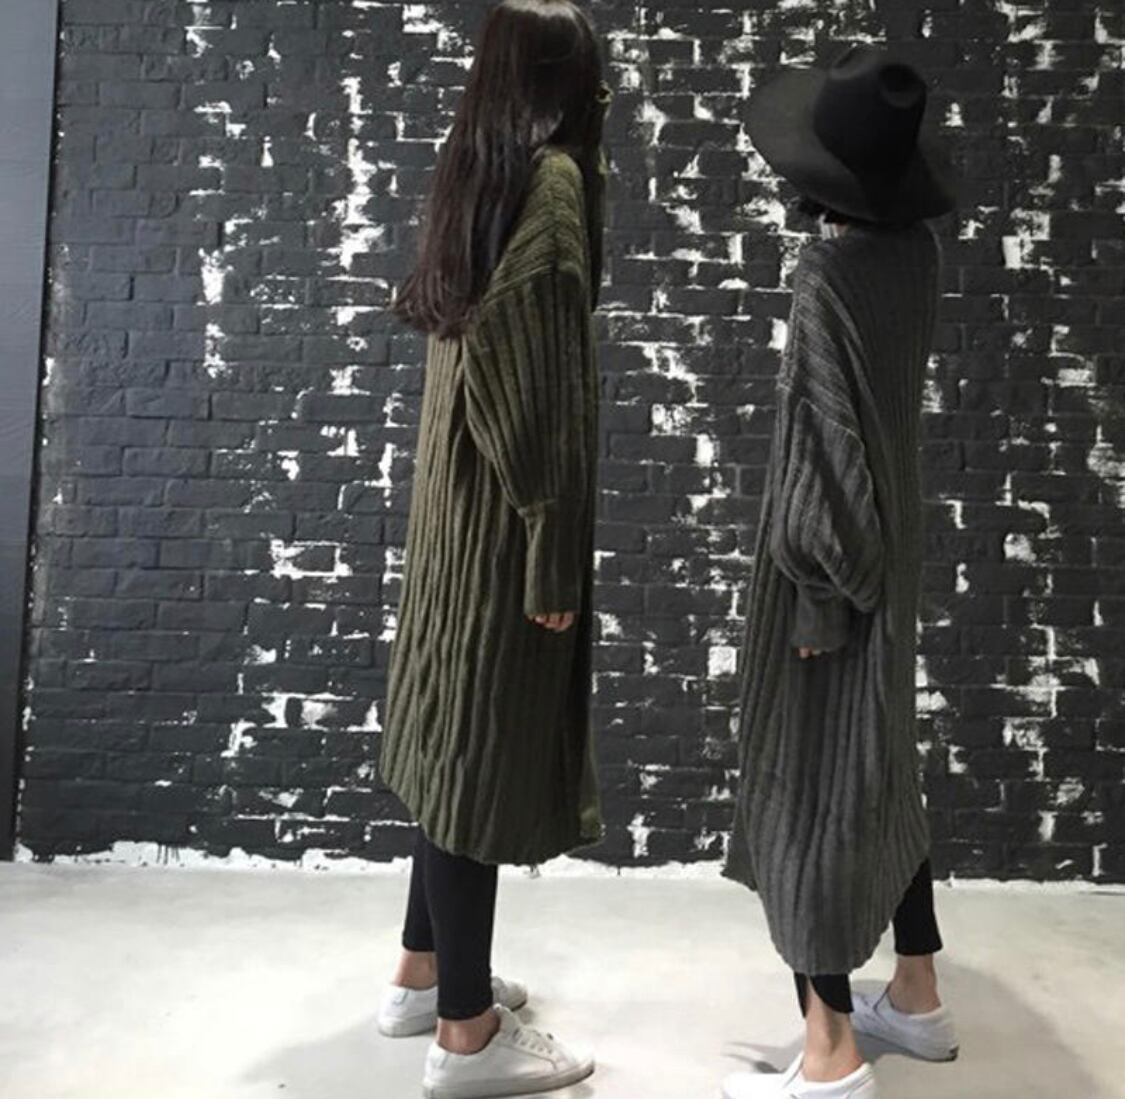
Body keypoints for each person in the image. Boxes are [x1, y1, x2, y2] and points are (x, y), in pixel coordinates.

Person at [375, 2, 611, 1097]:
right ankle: (465, 1032)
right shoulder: (551, 185)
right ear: (572, 79)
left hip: (452, 520)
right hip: (506, 530)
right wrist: (551, 549)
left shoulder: (478, 167)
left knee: (445, 740)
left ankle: (422, 973)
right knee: (472, 762)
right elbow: (534, 394)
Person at [722, 45, 960, 1099]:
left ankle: (829, 1056)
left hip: (831, 575)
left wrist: (818, 596)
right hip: (893, 549)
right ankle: (916, 993)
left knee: (807, 787)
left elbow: (822, 451)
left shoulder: (826, 277)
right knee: (882, 761)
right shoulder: (916, 257)